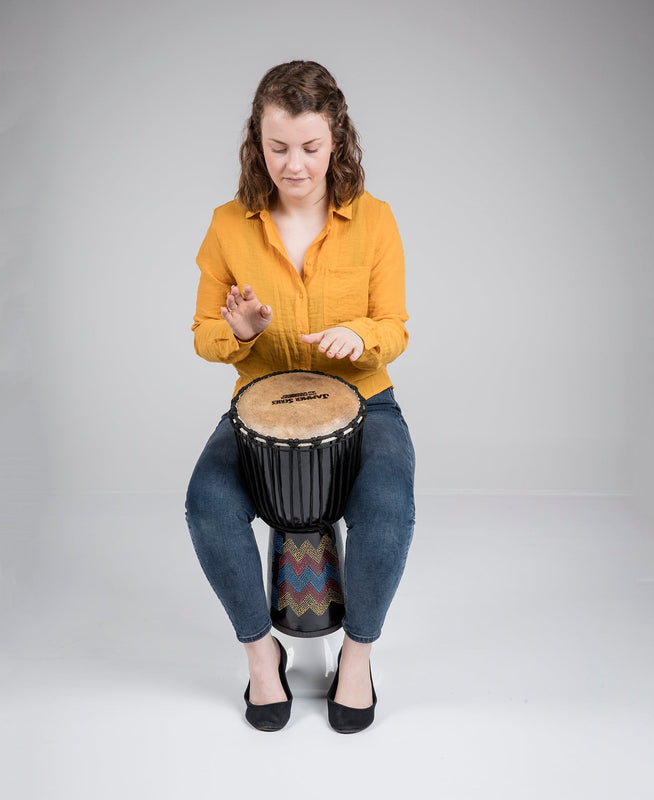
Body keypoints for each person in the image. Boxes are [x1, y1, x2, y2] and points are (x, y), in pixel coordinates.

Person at [185, 61, 415, 733]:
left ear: (337, 140)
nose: (294, 164)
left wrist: (358, 335)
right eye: (278, 146)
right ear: (257, 140)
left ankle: (357, 658)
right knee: (207, 506)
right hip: (262, 405)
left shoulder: (376, 222)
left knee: (387, 510)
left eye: (310, 147)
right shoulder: (228, 226)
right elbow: (202, 333)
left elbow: (394, 327)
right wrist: (238, 333)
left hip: (365, 402)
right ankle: (263, 657)